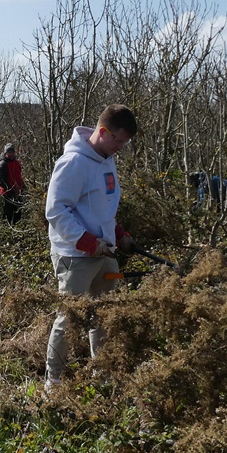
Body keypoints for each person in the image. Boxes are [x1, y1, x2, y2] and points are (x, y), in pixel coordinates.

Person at [43, 104, 137, 390]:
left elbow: (103, 206)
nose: (120, 147)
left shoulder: (107, 158)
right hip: (75, 257)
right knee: (69, 317)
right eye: (117, 140)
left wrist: (119, 234)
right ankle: (54, 380)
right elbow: (56, 210)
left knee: (105, 313)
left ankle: (103, 373)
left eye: (125, 142)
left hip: (105, 253)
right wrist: (87, 243)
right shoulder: (73, 162)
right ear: (102, 131)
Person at [0, 143, 25, 224]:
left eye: (12, 152)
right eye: (9, 152)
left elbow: (19, 177)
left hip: (18, 192)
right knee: (8, 214)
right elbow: (1, 181)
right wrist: (10, 190)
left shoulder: (17, 163)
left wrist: (22, 188)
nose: (11, 154)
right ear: (5, 153)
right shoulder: (2, 165)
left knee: (18, 214)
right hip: (7, 193)